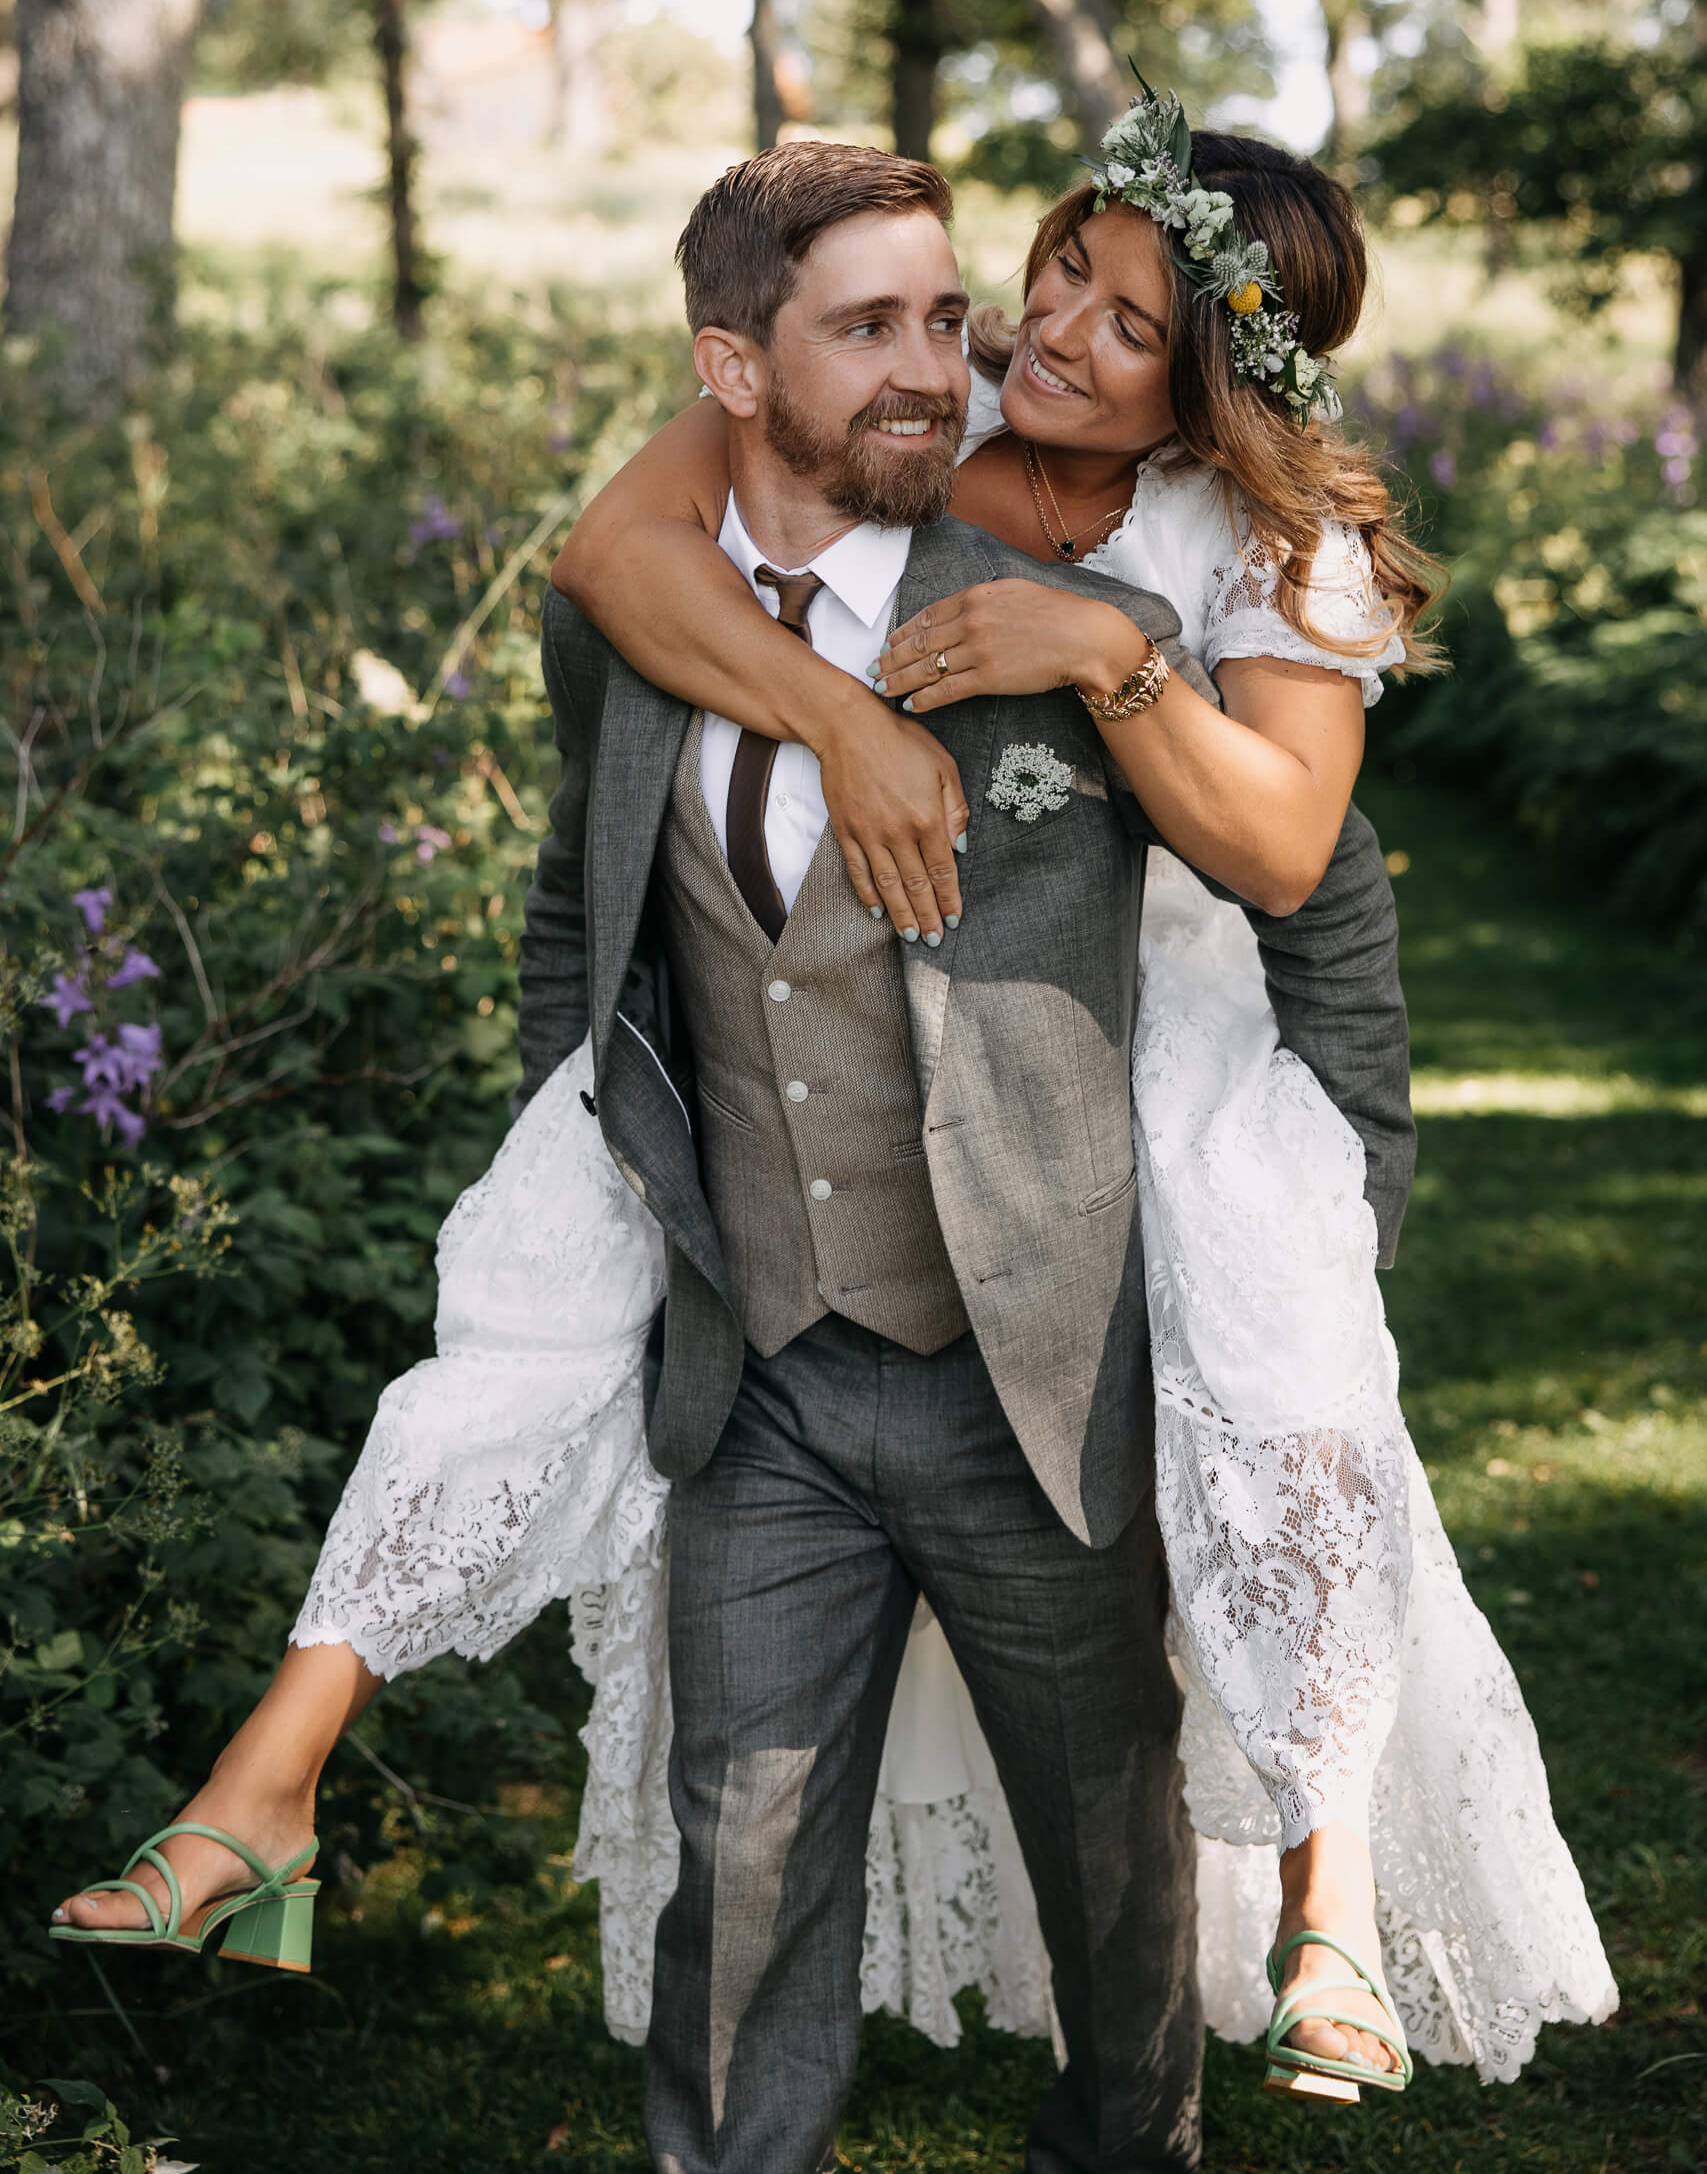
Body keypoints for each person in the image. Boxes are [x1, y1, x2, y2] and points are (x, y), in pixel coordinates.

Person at [50, 112, 1614, 2134]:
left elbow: (1302, 863)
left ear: (1212, 384)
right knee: (558, 1347)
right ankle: (278, 1780)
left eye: (1129, 324)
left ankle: (1328, 1889)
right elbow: (615, 571)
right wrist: (844, 721)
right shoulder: (900, 429)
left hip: (1099, 1122)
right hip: (787, 1287)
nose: (1045, 331)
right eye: (1058, 268)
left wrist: (1114, 656)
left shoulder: (1244, 539)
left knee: (1253, 1439)